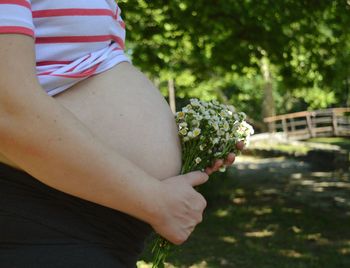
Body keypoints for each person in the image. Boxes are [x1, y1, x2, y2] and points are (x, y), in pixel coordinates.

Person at [0, 1, 243, 267]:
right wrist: (154, 200)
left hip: (93, 229)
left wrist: (189, 149)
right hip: (45, 221)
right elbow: (7, 109)